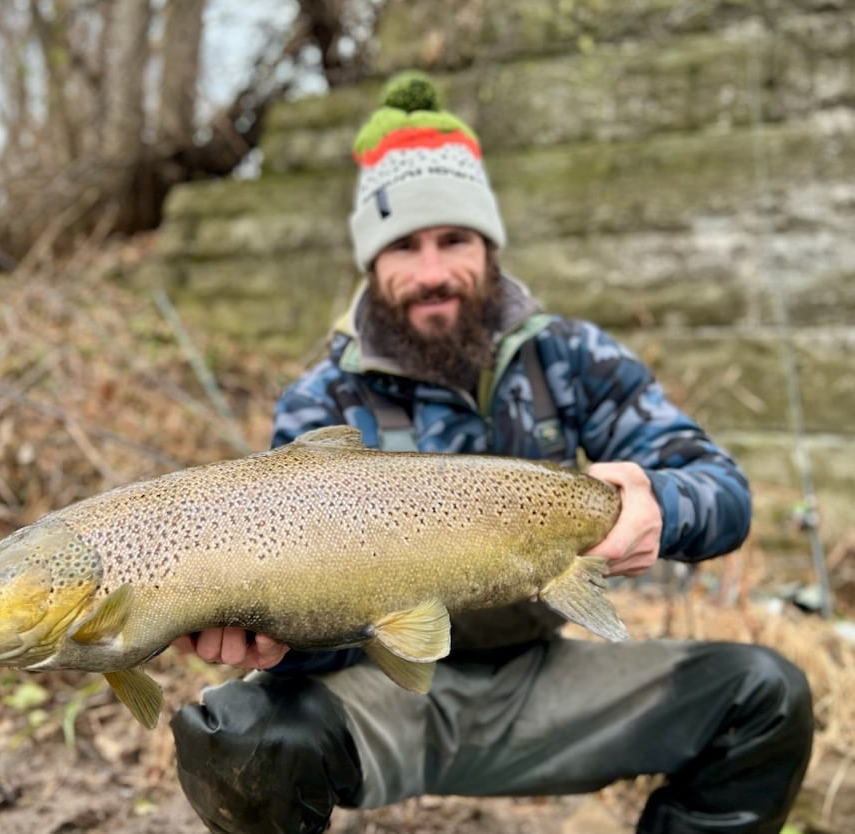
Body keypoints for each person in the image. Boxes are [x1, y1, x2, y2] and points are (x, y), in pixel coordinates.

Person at [169, 71, 814, 834]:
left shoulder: (571, 357)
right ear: (371, 263)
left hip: (549, 686)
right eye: (404, 245)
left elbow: (725, 495)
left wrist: (657, 507)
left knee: (767, 694)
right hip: (393, 694)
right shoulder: (323, 402)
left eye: (454, 240)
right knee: (238, 734)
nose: (434, 271)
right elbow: (312, 634)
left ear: (489, 245)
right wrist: (272, 639)